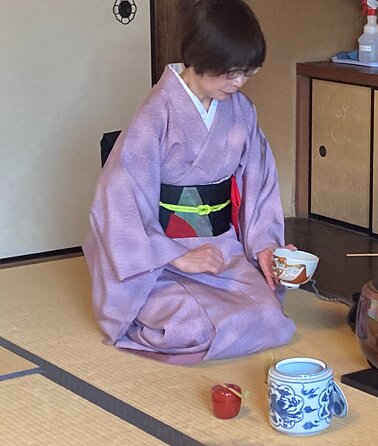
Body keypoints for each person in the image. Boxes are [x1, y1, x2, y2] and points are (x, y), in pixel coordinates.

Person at [83, 0, 296, 365]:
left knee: (268, 317)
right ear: (200, 58)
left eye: (247, 73)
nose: (239, 83)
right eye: (231, 72)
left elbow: (259, 185)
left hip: (221, 251)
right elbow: (119, 201)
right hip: (161, 259)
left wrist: (264, 246)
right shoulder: (156, 114)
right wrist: (178, 258)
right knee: (192, 326)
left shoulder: (241, 110)